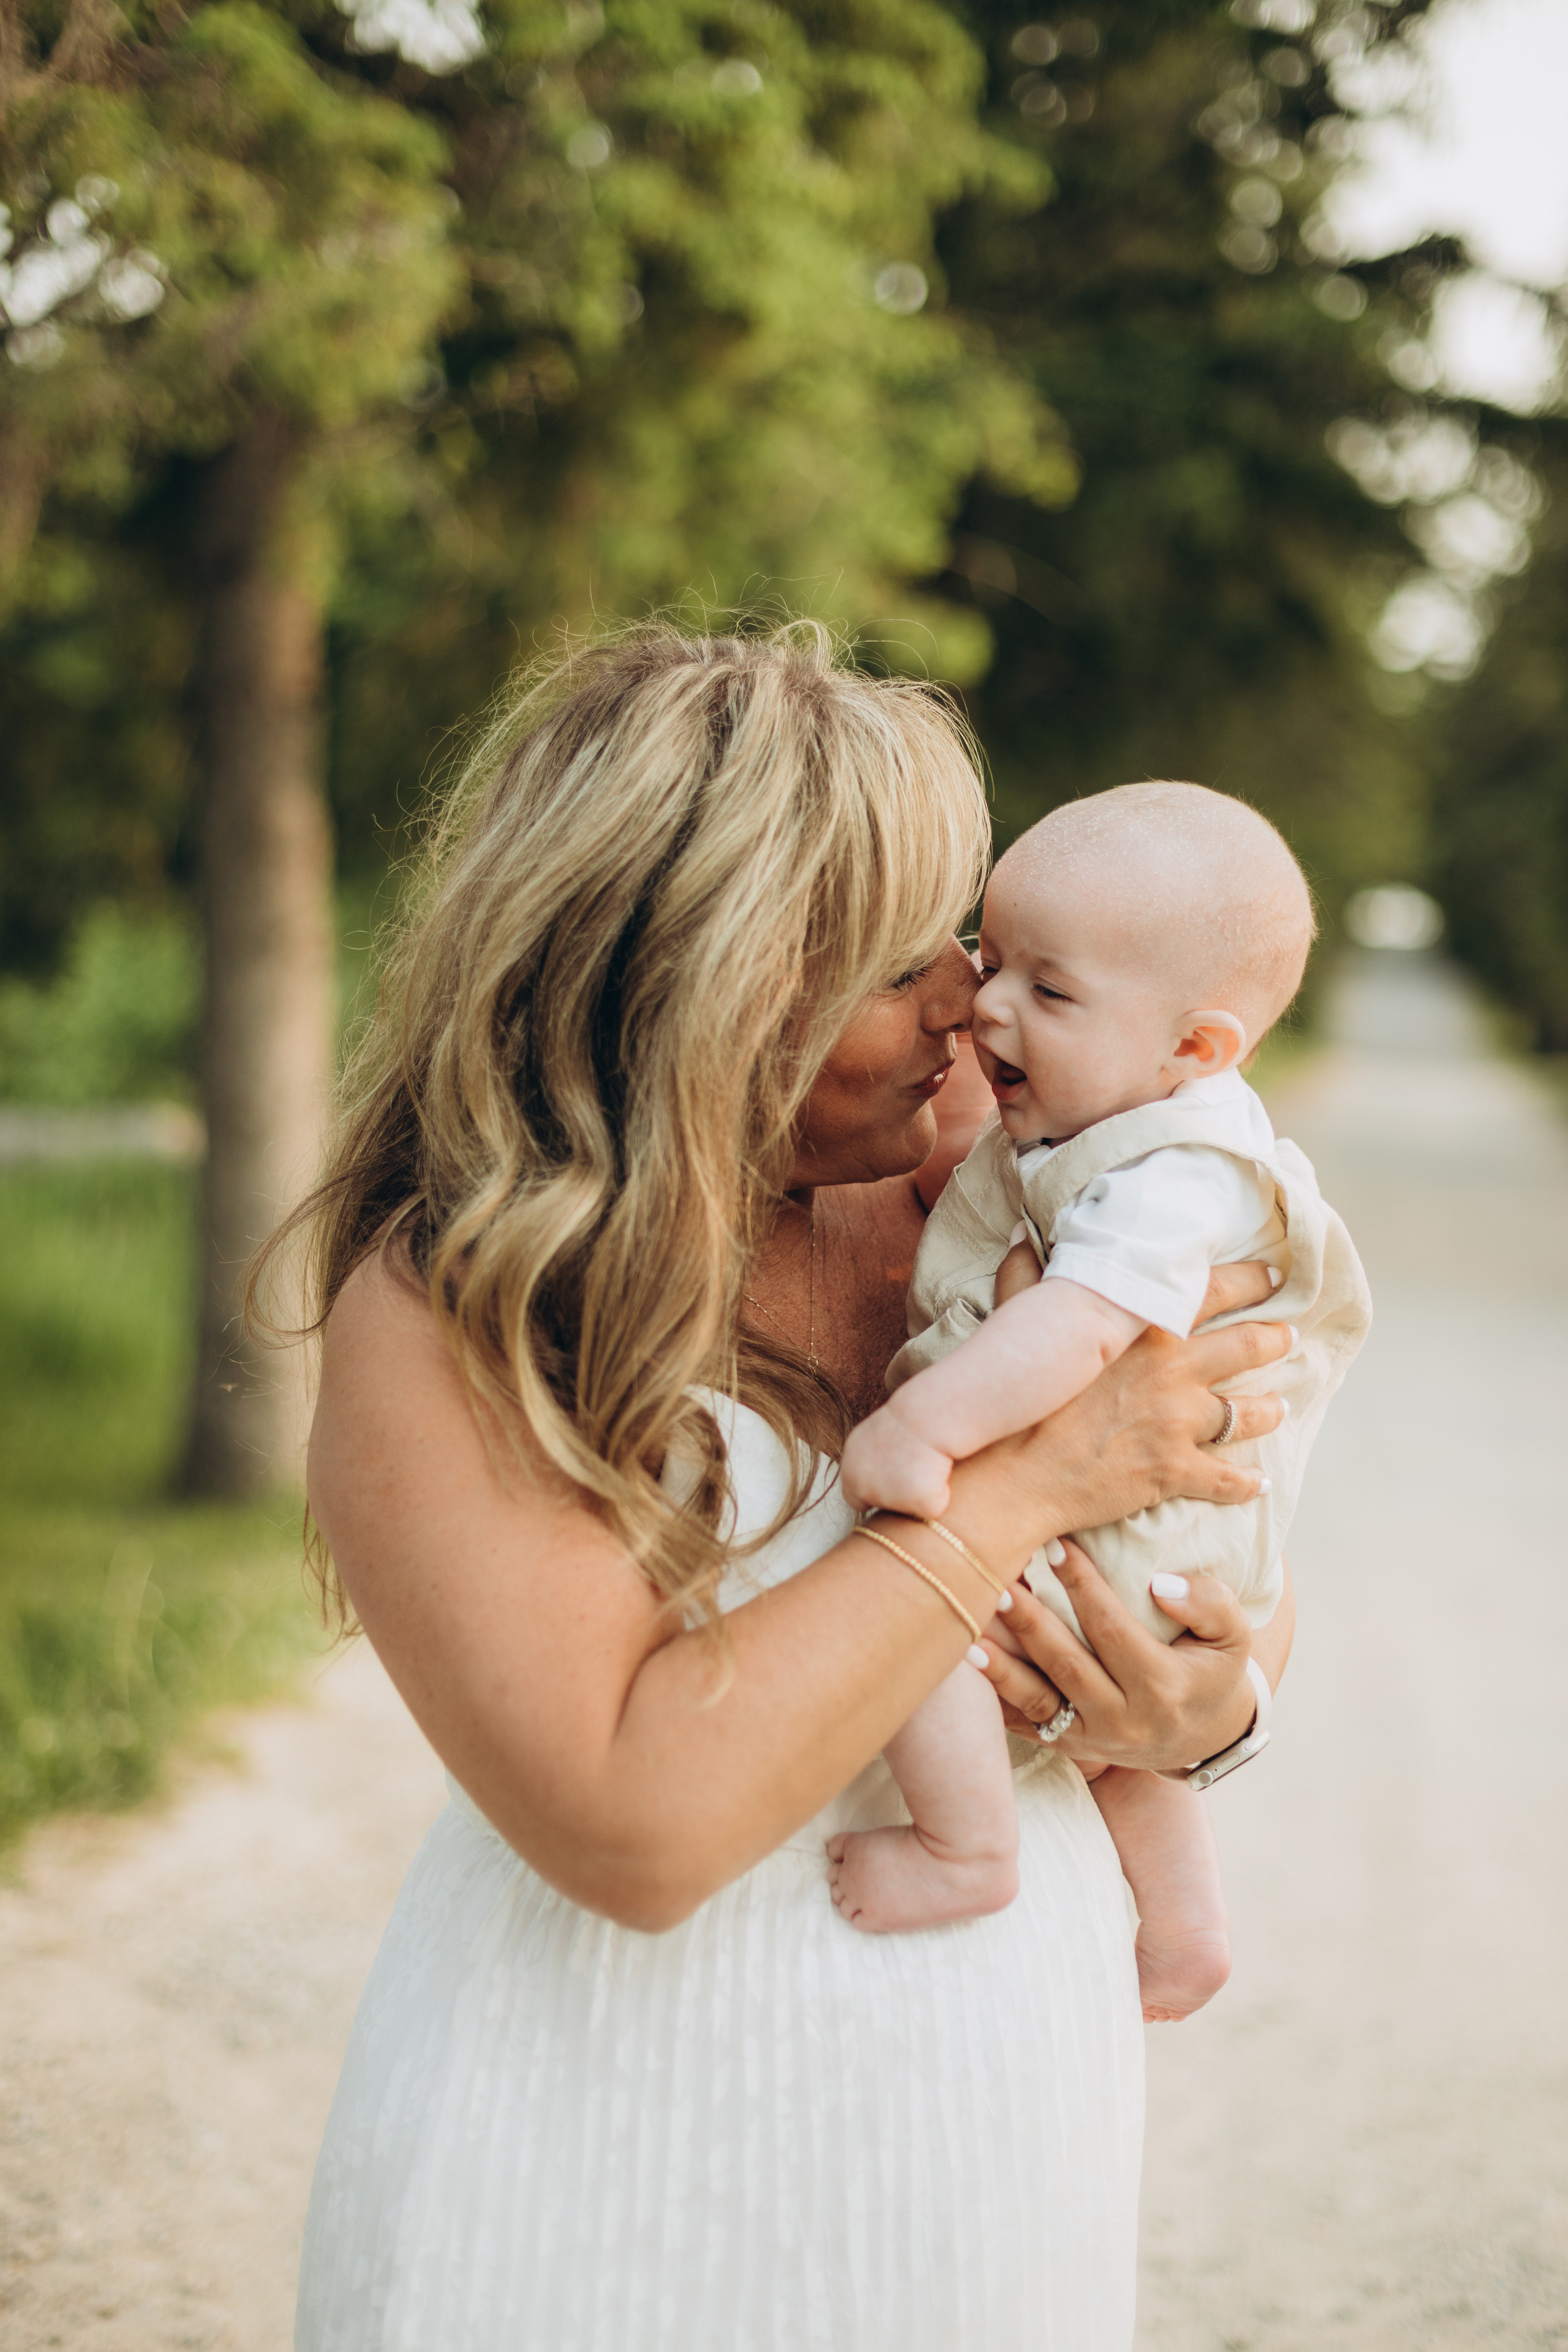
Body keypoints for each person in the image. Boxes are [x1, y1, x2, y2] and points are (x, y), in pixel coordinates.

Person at [284, 625, 1293, 2352]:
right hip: (601, 2134)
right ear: (711, 984)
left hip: (992, 2128)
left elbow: (1219, 1549)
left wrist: (1208, 1709)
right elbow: (634, 1830)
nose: (966, 1002)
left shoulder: (1000, 1202)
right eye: (905, 964)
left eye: (964, 942)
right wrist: (1015, 1490)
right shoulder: (457, 1304)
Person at [834, 785, 1371, 2021]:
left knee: (920, 1623)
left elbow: (1074, 1326)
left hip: (1122, 1531)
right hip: (1161, 1552)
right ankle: (1185, 1931)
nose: (984, 1004)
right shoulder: (1110, 1120)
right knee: (1117, 1756)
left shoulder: (1171, 1174)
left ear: (1196, 1049)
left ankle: (965, 1848)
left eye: (1050, 990)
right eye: (992, 958)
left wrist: (921, 1426)